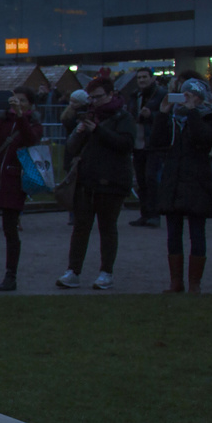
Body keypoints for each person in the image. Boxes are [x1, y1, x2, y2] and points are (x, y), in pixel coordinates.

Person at [61, 77, 135, 289]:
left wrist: (98, 130)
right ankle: (73, 270)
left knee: (107, 227)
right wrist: (79, 132)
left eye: (98, 97)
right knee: (81, 227)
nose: (94, 101)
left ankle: (106, 272)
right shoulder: (90, 116)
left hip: (112, 180)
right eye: (91, 97)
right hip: (88, 178)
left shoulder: (123, 117)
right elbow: (72, 148)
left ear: (111, 94)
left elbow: (126, 144)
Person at [151, 78, 212, 293]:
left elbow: (204, 139)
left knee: (197, 233)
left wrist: (192, 111)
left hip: (197, 180)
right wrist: (163, 113)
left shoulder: (209, 116)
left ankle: (194, 282)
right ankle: (176, 281)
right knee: (173, 233)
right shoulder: (173, 118)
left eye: (190, 95)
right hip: (174, 178)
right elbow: (156, 142)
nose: (185, 99)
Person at [0, 88, 42, 292]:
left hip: (13, 180)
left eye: (22, 100)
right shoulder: (1, 119)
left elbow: (30, 139)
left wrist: (20, 117)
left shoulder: (34, 124)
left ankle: (11, 274)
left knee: (10, 230)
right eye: (15, 100)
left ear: (30, 104)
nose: (17, 103)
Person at [123, 68, 167, 228]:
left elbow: (167, 117)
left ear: (152, 78)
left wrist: (152, 116)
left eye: (144, 77)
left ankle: (154, 214)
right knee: (141, 180)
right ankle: (145, 214)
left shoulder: (161, 94)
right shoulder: (135, 95)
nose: (141, 80)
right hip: (138, 142)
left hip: (153, 143)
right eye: (139, 77)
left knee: (151, 178)